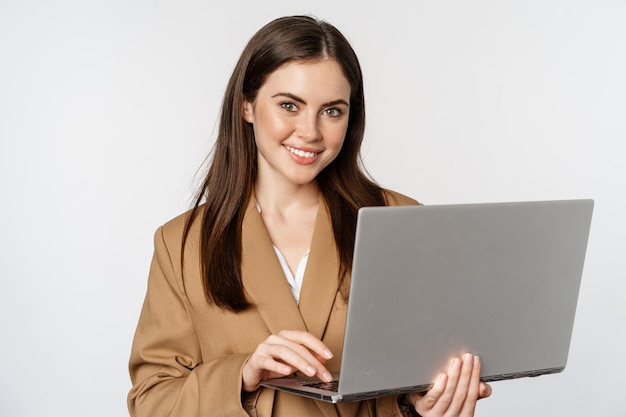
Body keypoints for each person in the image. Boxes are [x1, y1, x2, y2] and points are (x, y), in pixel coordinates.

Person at [127, 15, 492, 417]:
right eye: (289, 105)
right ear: (246, 105)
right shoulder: (182, 243)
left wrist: (423, 404)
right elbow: (151, 401)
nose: (310, 132)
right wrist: (243, 376)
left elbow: (421, 375)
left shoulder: (401, 220)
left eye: (332, 111)